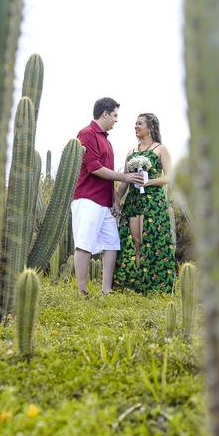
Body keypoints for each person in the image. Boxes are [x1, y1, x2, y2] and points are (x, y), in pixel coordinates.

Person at [72, 97, 146, 296]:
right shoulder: (87, 134)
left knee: (112, 243)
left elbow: (108, 174)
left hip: (104, 201)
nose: (116, 120)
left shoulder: (106, 140)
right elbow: (95, 168)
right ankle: (82, 290)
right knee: (84, 244)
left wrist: (115, 199)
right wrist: (126, 177)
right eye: (114, 115)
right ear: (104, 113)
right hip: (87, 198)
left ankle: (106, 289)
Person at [113, 113, 176, 294]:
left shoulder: (160, 149)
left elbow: (170, 177)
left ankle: (155, 286)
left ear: (150, 128)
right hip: (134, 200)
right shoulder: (131, 153)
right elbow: (125, 180)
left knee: (153, 241)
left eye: (139, 123)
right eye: (135, 123)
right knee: (136, 241)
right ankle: (138, 282)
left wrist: (148, 182)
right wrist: (116, 199)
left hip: (153, 201)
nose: (136, 126)